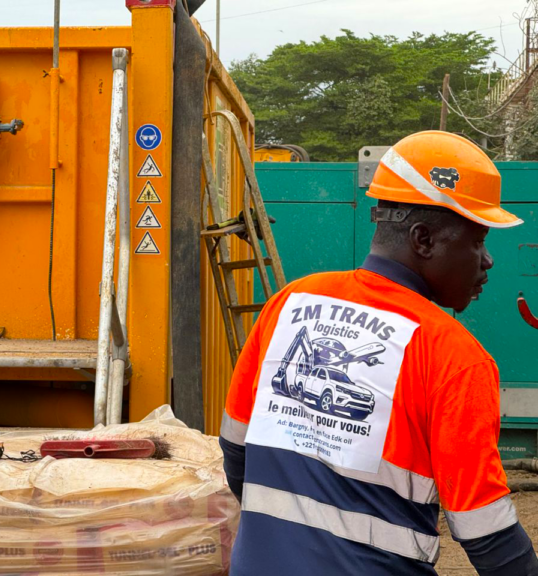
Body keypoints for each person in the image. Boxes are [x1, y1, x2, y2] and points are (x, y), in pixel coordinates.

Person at [220, 131, 538, 575]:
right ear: (423, 239)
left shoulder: (288, 303)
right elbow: (489, 535)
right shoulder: (453, 355)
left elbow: (236, 455)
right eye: (477, 240)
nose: (486, 261)